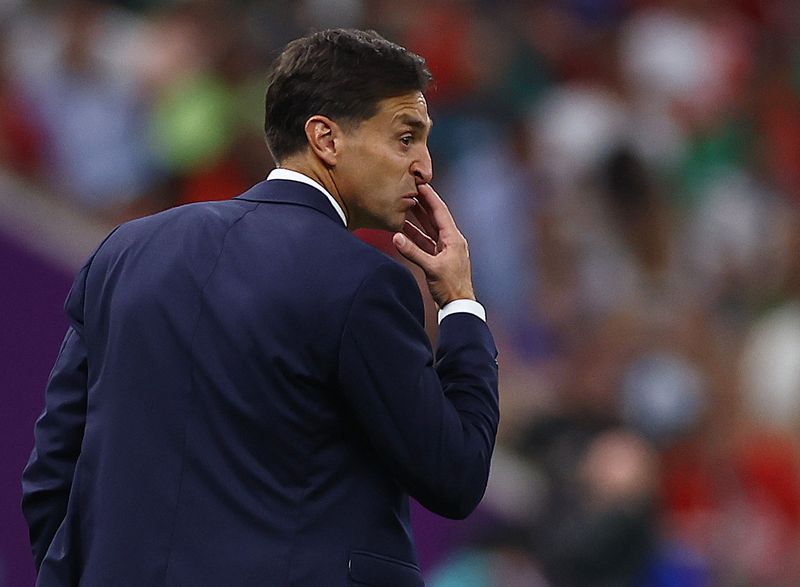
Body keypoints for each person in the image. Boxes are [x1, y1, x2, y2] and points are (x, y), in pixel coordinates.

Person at [21, 29, 499, 586]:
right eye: (405, 137)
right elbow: (455, 473)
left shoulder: (125, 251)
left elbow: (52, 473)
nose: (425, 167)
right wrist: (461, 306)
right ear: (325, 138)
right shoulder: (362, 282)